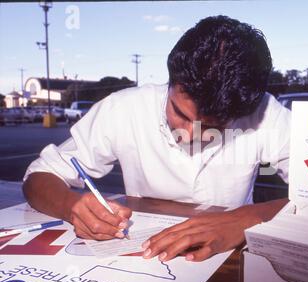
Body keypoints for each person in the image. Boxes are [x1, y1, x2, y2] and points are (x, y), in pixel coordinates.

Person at [23, 15, 290, 262]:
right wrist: (72, 206)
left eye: (211, 126)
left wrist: (247, 219)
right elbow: (39, 176)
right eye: (180, 113)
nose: (188, 134)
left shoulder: (267, 113)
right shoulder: (123, 108)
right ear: (171, 82)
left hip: (232, 260)